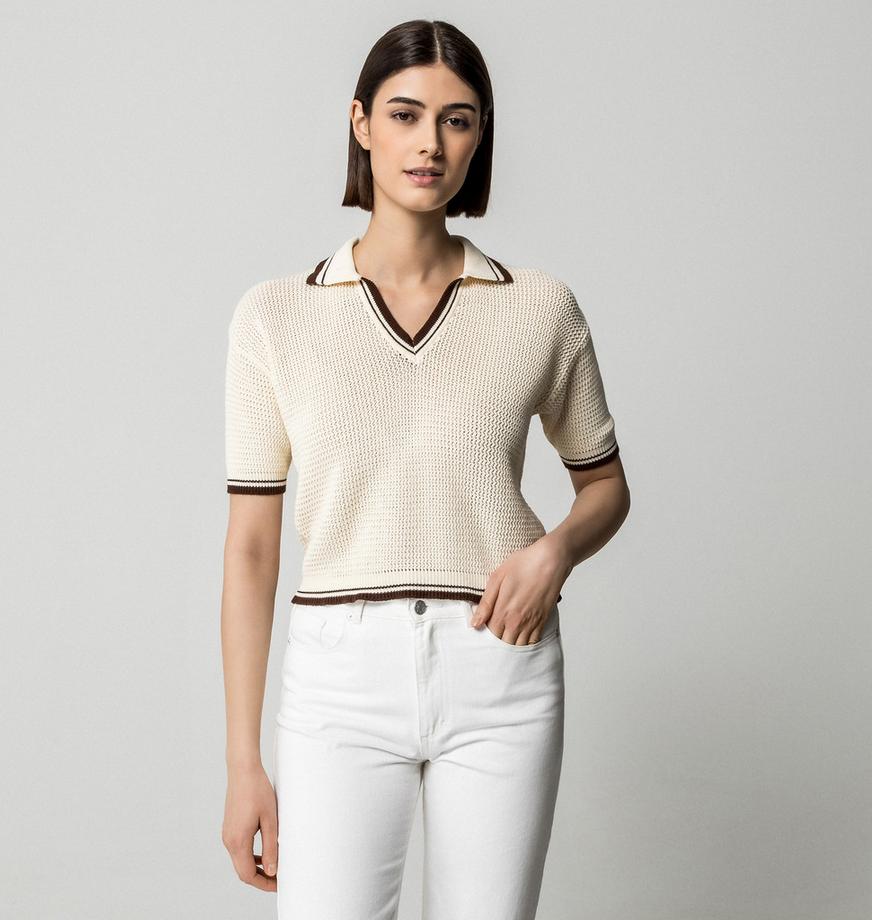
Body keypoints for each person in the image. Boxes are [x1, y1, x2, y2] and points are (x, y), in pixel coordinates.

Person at [220, 18, 631, 920]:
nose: (430, 143)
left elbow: (605, 488)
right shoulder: (275, 317)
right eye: (406, 115)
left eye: (457, 119)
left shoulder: (540, 309)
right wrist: (244, 763)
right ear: (361, 123)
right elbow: (250, 549)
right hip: (338, 680)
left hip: (501, 666)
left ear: (480, 137)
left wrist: (554, 554)